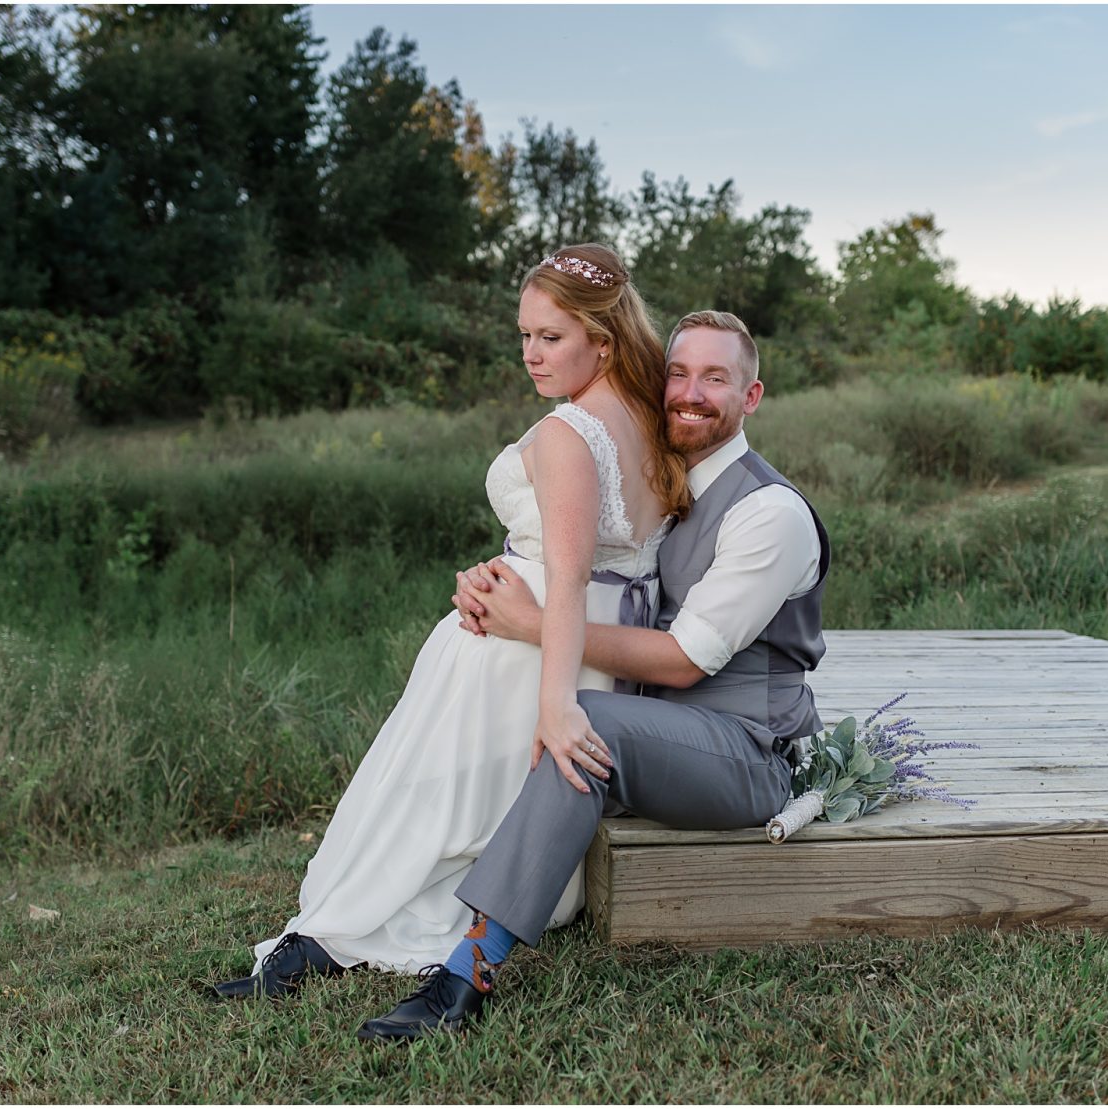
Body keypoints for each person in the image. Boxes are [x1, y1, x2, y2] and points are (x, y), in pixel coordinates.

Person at [212, 244, 689, 999]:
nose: (531, 354)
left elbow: (565, 577)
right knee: (447, 797)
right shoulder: (653, 419)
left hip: (530, 650)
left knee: (427, 803)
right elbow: (599, 558)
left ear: (601, 340)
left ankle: (340, 930)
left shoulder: (573, 431)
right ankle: (350, 925)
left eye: (550, 337)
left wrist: (554, 702)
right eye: (525, 335)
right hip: (595, 646)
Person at [352, 309, 831, 1041]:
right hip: (674, 728)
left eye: (716, 378)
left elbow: (684, 659)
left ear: (752, 396)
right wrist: (497, 583)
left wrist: (532, 624)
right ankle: (406, 873)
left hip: (748, 752)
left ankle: (467, 972)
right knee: (545, 699)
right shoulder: (674, 480)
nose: (690, 392)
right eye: (679, 371)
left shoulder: (770, 513)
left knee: (583, 719)